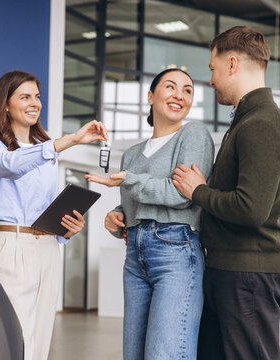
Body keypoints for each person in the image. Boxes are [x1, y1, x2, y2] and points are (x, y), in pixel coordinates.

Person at [172, 26, 280, 360]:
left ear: (231, 64)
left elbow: (251, 208)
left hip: (249, 271)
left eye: (212, 69)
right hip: (231, 268)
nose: (210, 80)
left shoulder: (262, 124)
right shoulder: (246, 121)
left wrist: (199, 191)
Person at [0, 70, 108, 360]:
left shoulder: (45, 152)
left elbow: (46, 207)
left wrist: (67, 227)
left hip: (47, 247)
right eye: (25, 97)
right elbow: (10, 165)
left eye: (37, 97)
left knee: (41, 336)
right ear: (5, 105)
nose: (35, 103)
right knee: (15, 334)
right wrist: (69, 140)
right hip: (13, 247)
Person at [86, 68, 214, 360]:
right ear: (150, 96)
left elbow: (182, 195)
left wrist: (129, 180)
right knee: (133, 354)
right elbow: (134, 204)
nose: (179, 95)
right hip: (135, 257)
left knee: (164, 354)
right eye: (170, 87)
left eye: (188, 90)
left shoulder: (193, 135)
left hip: (177, 253)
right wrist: (117, 219)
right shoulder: (130, 154)